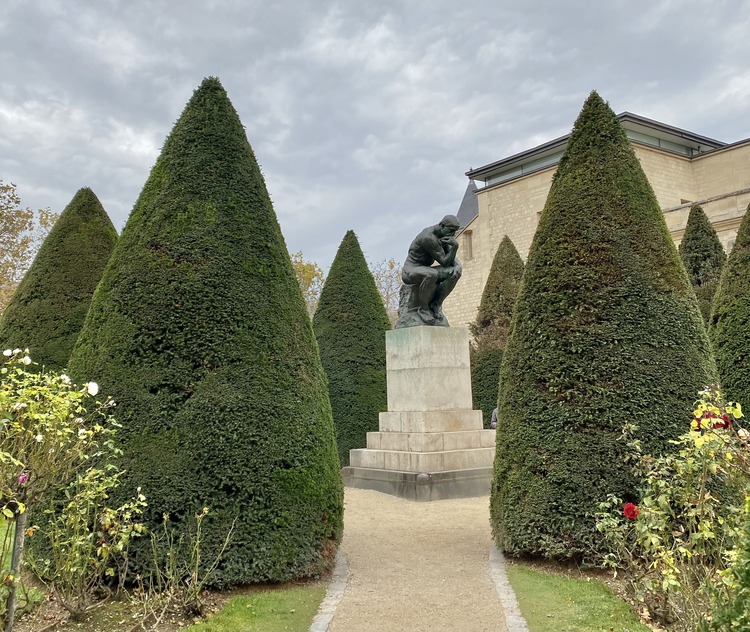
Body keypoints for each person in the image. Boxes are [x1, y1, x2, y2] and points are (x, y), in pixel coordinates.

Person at [401, 214, 462, 325]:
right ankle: (423, 309)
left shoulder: (443, 235)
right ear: (442, 226)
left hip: (425, 269)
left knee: (455, 272)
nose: (452, 235)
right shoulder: (428, 237)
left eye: (455, 232)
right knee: (431, 274)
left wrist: (458, 266)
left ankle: (436, 304)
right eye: (451, 231)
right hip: (410, 270)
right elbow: (444, 261)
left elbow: (450, 261)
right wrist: (455, 247)